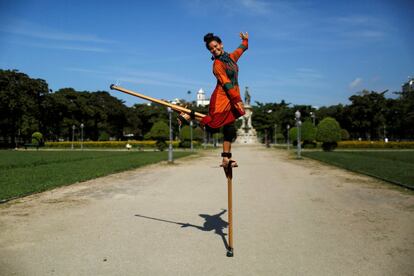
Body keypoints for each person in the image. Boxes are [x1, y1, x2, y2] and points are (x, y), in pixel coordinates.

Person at [181, 32, 248, 167]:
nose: (214, 49)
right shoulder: (217, 64)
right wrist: (237, 99)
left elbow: (241, 49)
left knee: (229, 129)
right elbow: (226, 83)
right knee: (213, 125)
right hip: (221, 99)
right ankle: (190, 115)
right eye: (211, 48)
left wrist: (245, 40)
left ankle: (226, 158)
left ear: (221, 44)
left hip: (232, 97)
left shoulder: (231, 57)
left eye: (216, 46)